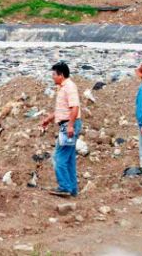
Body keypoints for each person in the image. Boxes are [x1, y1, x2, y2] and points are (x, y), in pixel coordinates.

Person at [40, 62, 82, 197]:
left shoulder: (69, 87)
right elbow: (62, 109)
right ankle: (72, 189)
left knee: (59, 157)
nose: (52, 77)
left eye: (54, 74)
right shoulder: (62, 87)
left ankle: (64, 187)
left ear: (61, 75)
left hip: (68, 125)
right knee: (69, 159)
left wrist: (70, 126)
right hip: (67, 124)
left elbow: (75, 107)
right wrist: (48, 119)